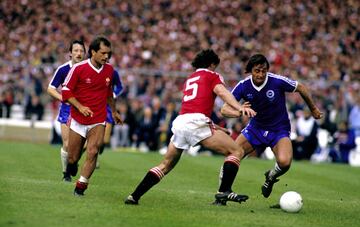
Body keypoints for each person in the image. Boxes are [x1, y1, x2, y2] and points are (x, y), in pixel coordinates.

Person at [124, 49, 256, 205]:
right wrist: (239, 107)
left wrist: (216, 127)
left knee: (165, 165)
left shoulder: (190, 79)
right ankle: (224, 191)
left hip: (181, 122)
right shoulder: (212, 75)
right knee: (236, 150)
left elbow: (194, 109)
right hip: (196, 123)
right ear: (212, 64)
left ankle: (134, 196)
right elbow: (222, 92)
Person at [220, 54, 323, 198]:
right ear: (251, 70)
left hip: (279, 129)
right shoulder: (243, 86)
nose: (261, 74)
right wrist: (239, 111)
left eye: (263, 71)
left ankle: (271, 176)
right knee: (232, 156)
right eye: (257, 70)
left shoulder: (277, 81)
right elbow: (224, 109)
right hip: (255, 129)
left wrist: (313, 109)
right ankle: (222, 193)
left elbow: (301, 87)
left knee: (285, 162)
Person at [62, 36, 122, 196]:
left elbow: (109, 93)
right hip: (78, 119)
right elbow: (66, 91)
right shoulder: (79, 69)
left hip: (98, 118)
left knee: (93, 151)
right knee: (73, 158)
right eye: (103, 53)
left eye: (108, 54)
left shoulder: (110, 70)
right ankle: (71, 166)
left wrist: (114, 112)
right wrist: (80, 107)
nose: (106, 57)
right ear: (93, 52)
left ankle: (80, 187)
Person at [47, 40, 86, 181]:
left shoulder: (88, 69)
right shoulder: (63, 69)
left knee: (85, 144)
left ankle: (73, 162)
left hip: (84, 110)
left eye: (81, 51)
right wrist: (62, 98)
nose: (78, 53)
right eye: (76, 50)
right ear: (70, 53)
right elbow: (50, 88)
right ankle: (66, 174)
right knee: (67, 144)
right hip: (67, 110)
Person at [96, 69, 123, 169]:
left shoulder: (112, 72)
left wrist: (112, 95)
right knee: (94, 138)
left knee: (105, 140)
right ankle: (92, 159)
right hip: (95, 106)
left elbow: (120, 86)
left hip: (108, 108)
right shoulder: (91, 69)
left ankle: (97, 151)